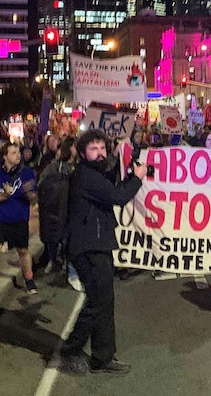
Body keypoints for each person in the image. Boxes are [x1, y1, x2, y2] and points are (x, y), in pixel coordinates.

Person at [59, 129, 147, 375]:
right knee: (98, 300)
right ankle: (71, 349)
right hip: (87, 246)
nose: (99, 153)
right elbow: (118, 196)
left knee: (104, 301)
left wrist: (128, 155)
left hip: (98, 242)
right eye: (93, 149)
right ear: (83, 152)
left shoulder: (95, 173)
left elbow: (112, 178)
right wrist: (138, 178)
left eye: (102, 148)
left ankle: (103, 356)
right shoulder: (86, 176)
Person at [0, 143, 39, 295]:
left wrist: (28, 193)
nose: (18, 155)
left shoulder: (27, 173)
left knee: (23, 251)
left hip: (18, 219)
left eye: (18, 152)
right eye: (13, 153)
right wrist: (5, 195)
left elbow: (34, 198)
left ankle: (29, 278)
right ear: (5, 156)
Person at [38, 137, 82, 290]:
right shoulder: (55, 167)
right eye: (75, 147)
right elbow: (42, 183)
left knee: (71, 243)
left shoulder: (79, 166)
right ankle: (57, 262)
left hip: (74, 210)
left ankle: (72, 272)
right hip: (59, 211)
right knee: (59, 239)